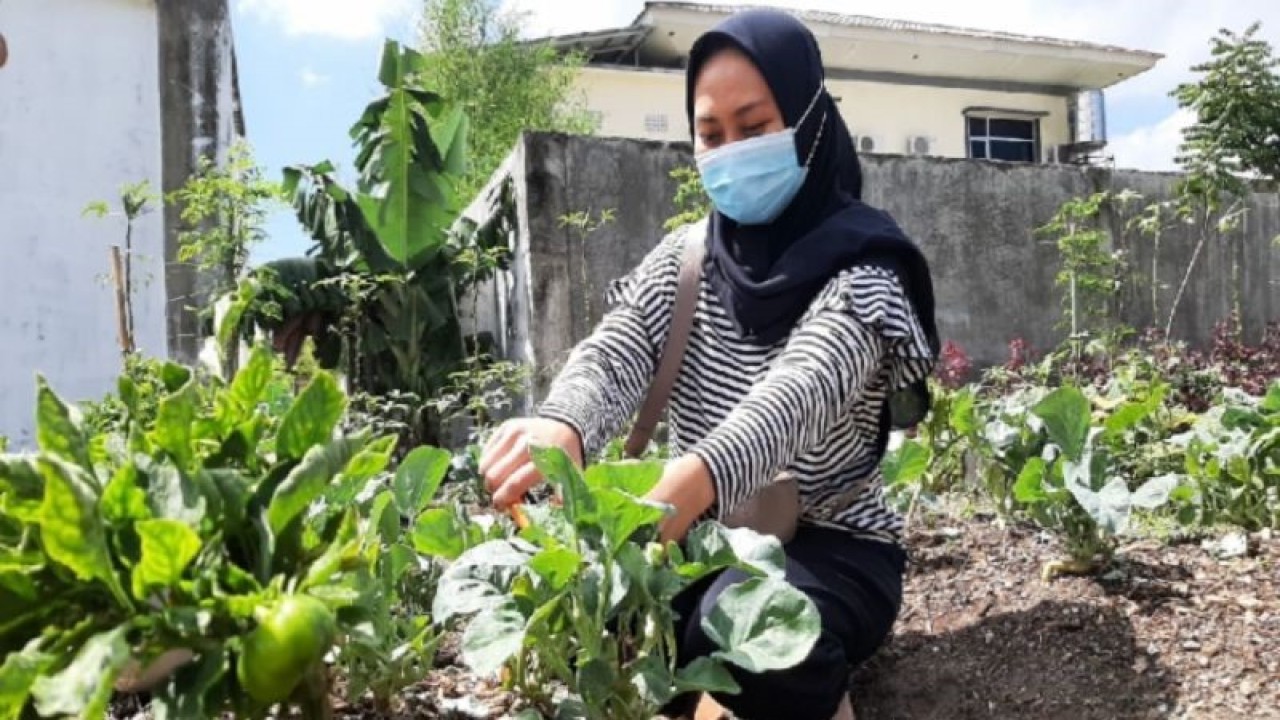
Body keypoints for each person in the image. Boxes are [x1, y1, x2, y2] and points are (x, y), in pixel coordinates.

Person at [478, 8, 940, 720]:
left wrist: (692, 480)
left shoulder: (867, 273)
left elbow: (796, 395)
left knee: (741, 628)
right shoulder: (689, 259)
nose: (731, 152)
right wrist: (563, 427)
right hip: (701, 535)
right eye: (711, 135)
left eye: (755, 128)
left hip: (833, 543)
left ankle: (804, 691)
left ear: (810, 122)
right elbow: (616, 347)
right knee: (579, 615)